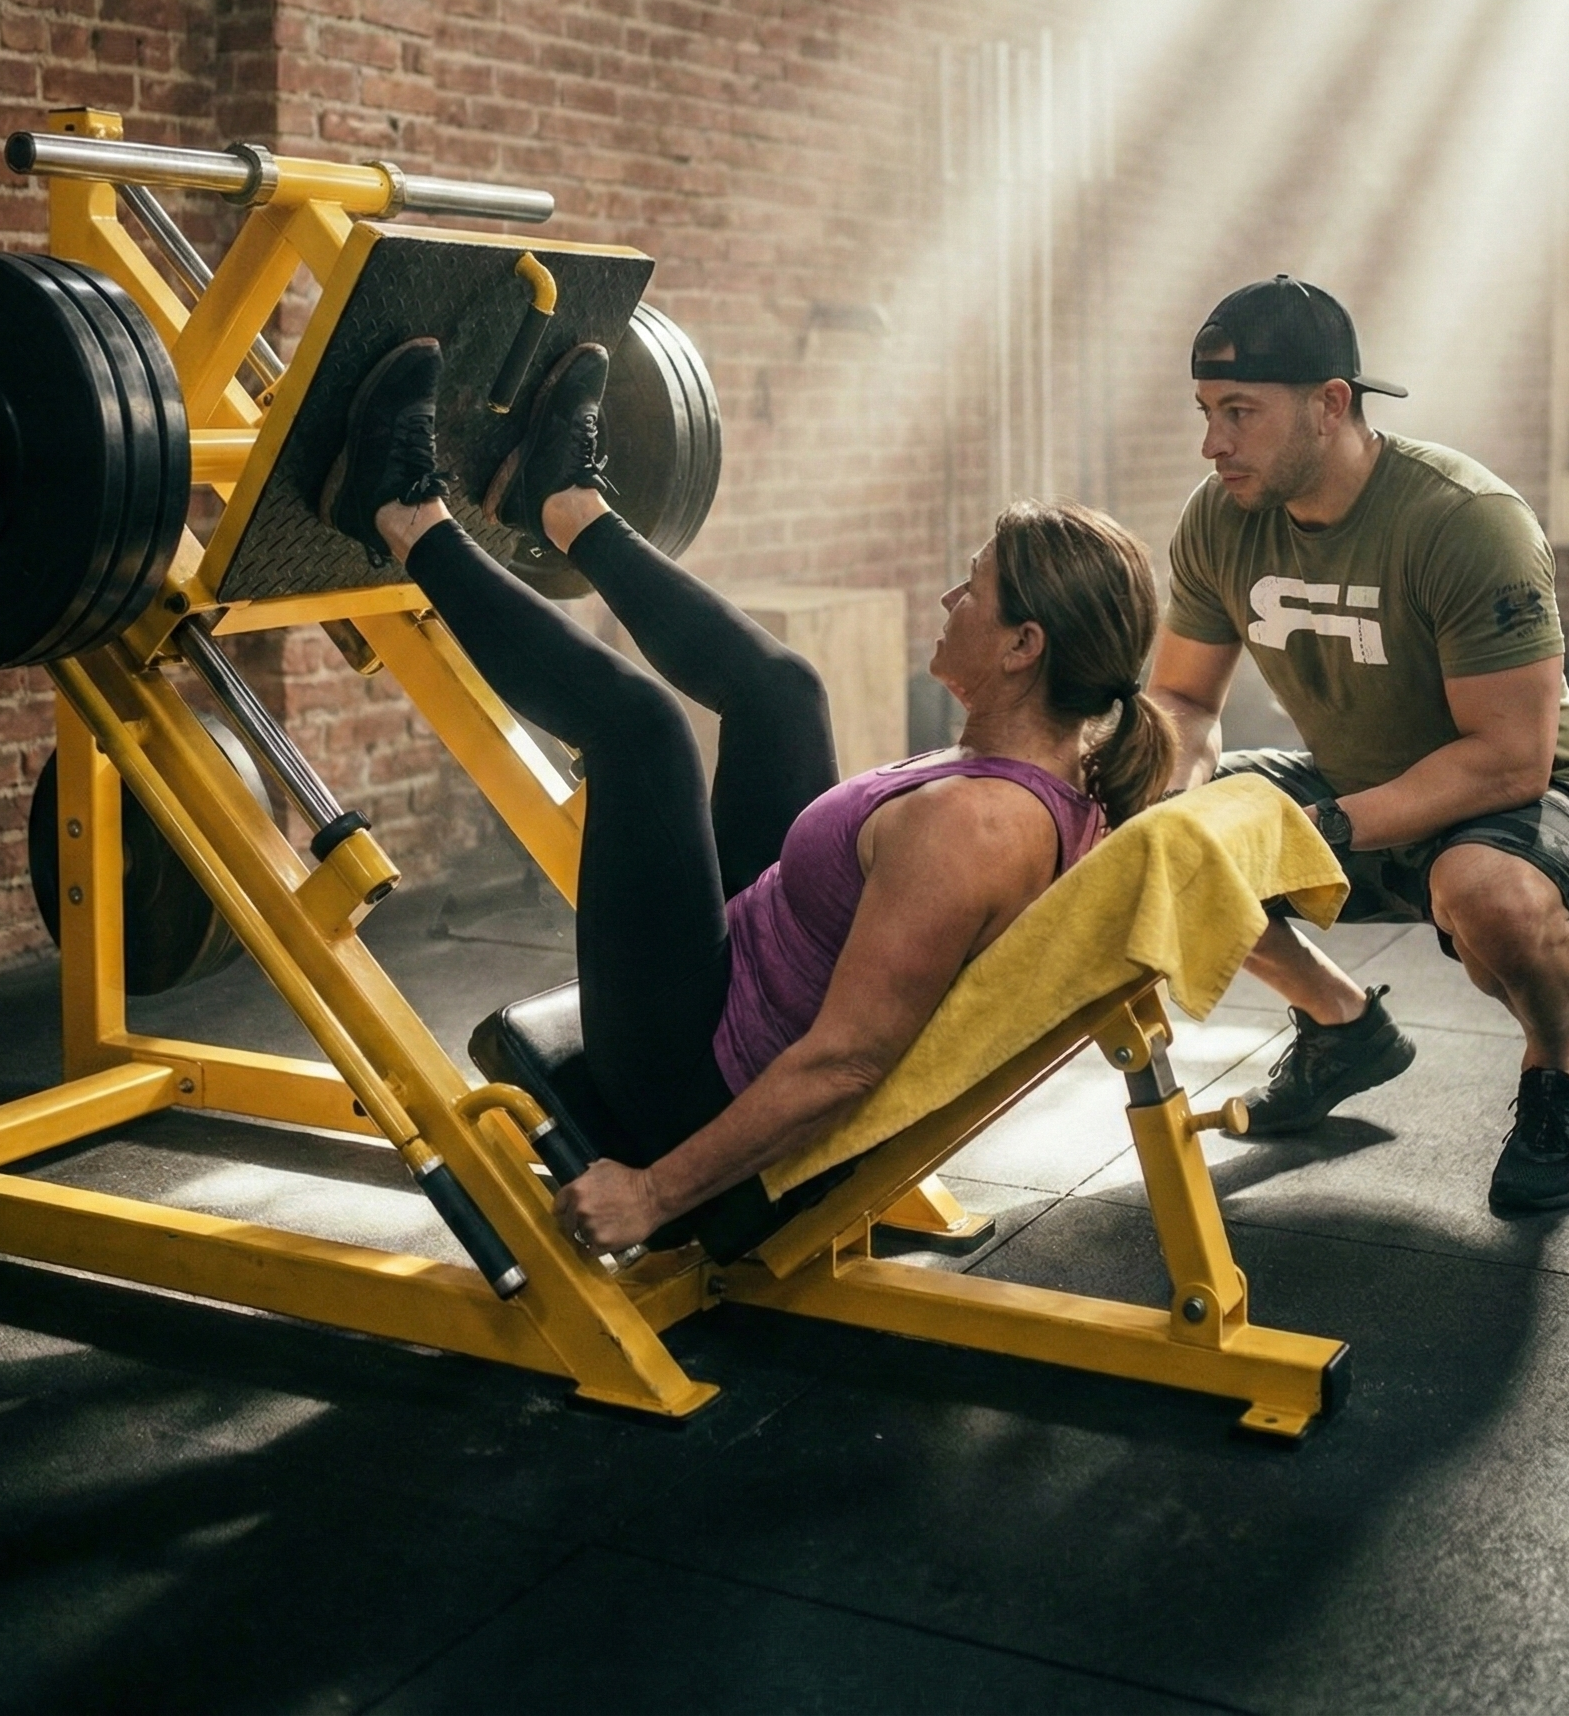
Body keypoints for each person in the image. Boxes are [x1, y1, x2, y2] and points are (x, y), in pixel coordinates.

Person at [320, 333, 1174, 1254]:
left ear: (1023, 647)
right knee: (784, 690)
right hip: (747, 985)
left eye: (970, 591)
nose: (944, 600)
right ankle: (564, 505)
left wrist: (650, 1195)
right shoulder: (1055, 776)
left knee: (641, 734)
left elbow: (848, 1063)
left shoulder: (972, 831)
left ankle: (399, 513)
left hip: (688, 1086)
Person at [1144, 274, 1569, 1217]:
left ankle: (1559, 1074)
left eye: (1240, 411)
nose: (1214, 442)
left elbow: (1509, 758)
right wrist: (1175, 801)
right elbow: (1183, 697)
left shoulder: (1464, 521)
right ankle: (1342, 1026)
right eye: (1206, 410)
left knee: (1485, 898)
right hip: (1351, 783)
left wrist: (1324, 824)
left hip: (1523, 799)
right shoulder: (1220, 516)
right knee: (1152, 836)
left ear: (1331, 405)